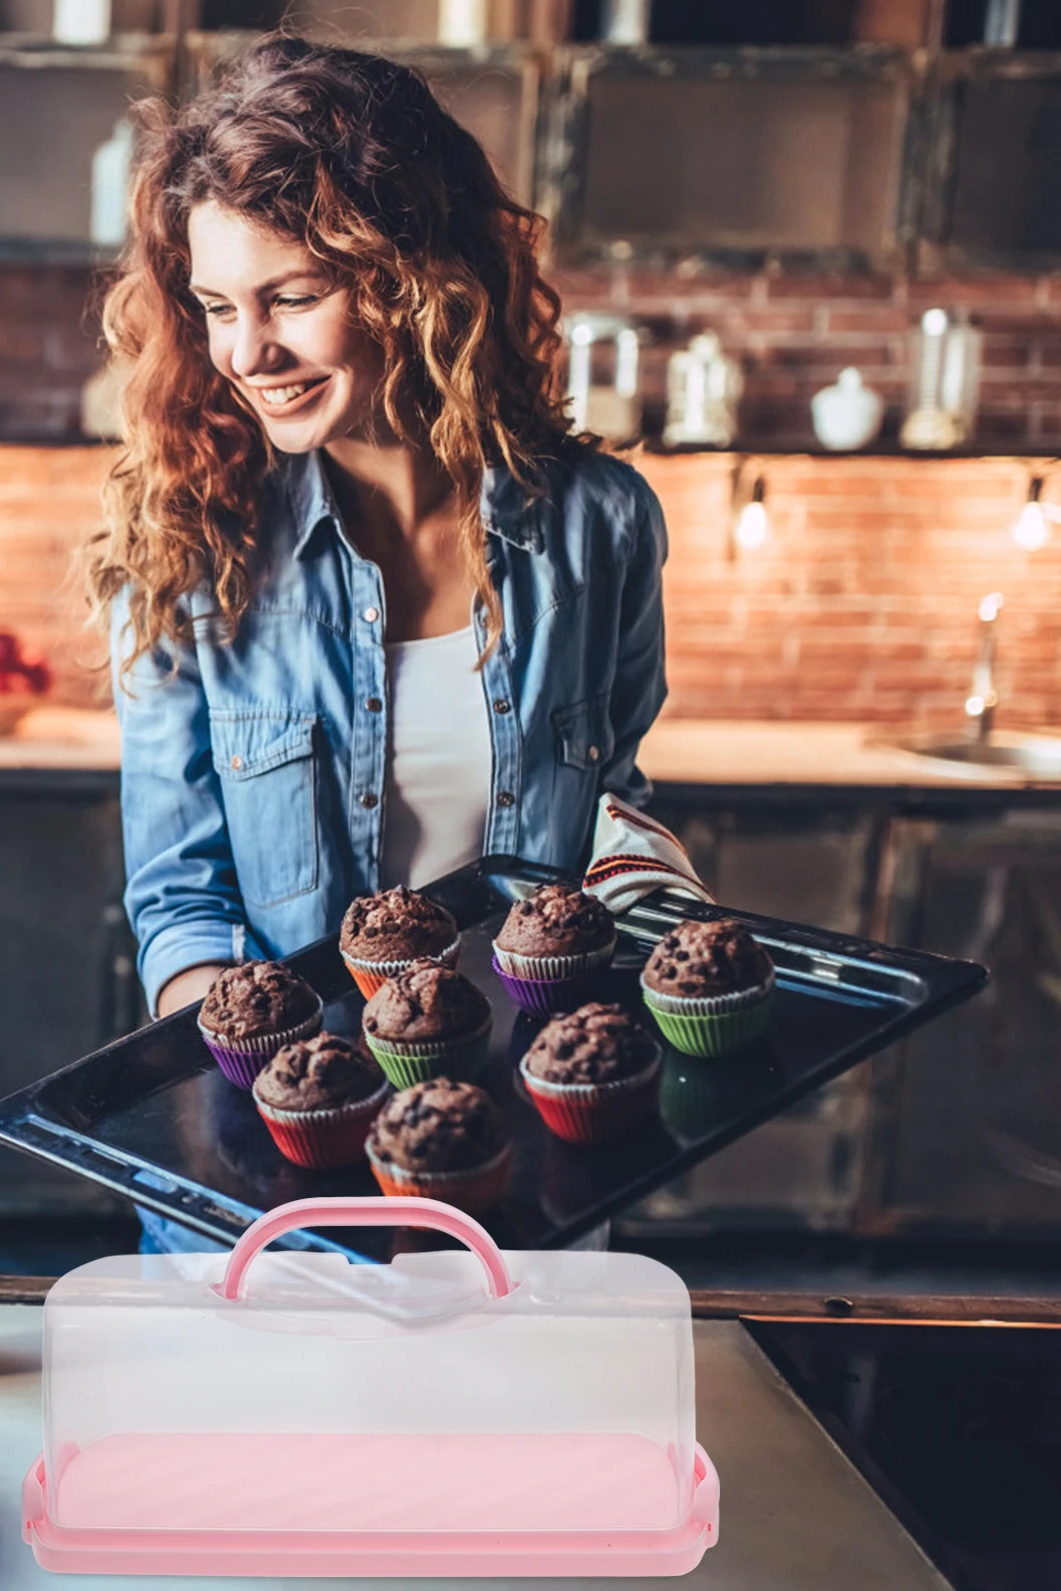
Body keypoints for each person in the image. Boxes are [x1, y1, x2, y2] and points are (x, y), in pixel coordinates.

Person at [87, 36, 705, 1253]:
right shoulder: (190, 548)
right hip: (272, 1196)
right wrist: (265, 1103)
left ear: (412, 276)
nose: (245, 352)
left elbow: (611, 808)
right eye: (216, 306)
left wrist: (664, 918)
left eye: (292, 296)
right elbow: (179, 894)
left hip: (524, 1161)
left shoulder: (599, 528)